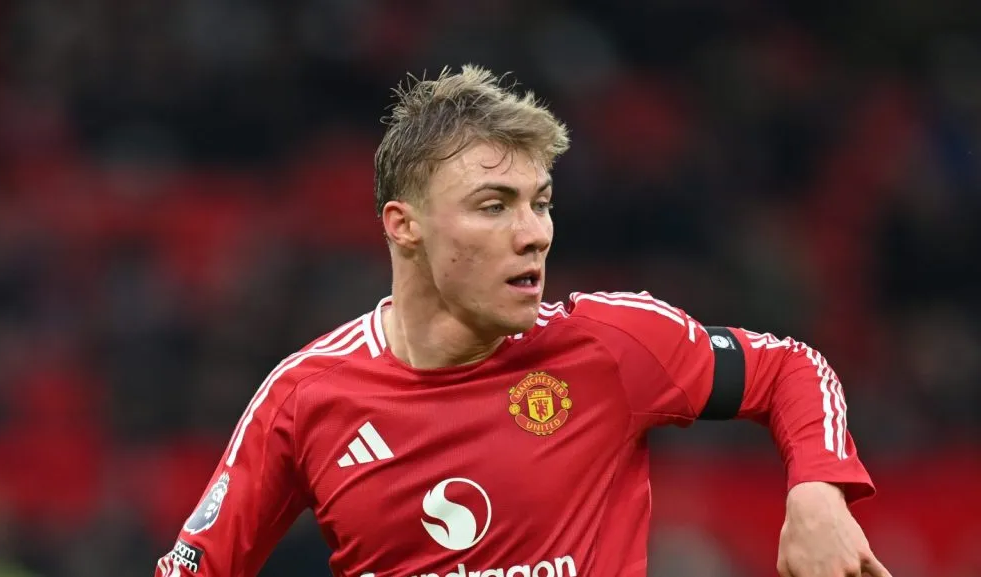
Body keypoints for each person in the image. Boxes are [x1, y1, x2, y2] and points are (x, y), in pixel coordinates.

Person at [155, 65, 890, 577]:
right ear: (403, 226)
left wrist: (817, 494)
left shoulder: (608, 344)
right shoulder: (306, 396)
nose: (534, 232)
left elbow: (790, 367)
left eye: (540, 201)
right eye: (494, 204)